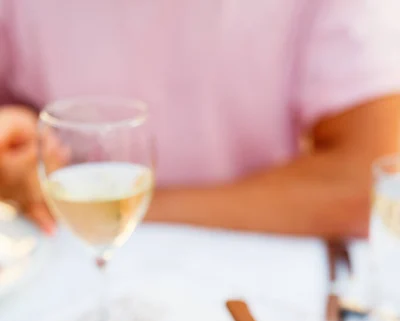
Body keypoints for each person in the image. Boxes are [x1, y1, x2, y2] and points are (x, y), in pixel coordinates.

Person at [0, 0, 399, 238]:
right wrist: (15, 151)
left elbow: (370, 183)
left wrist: (115, 208)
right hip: (55, 270)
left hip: (260, 283)